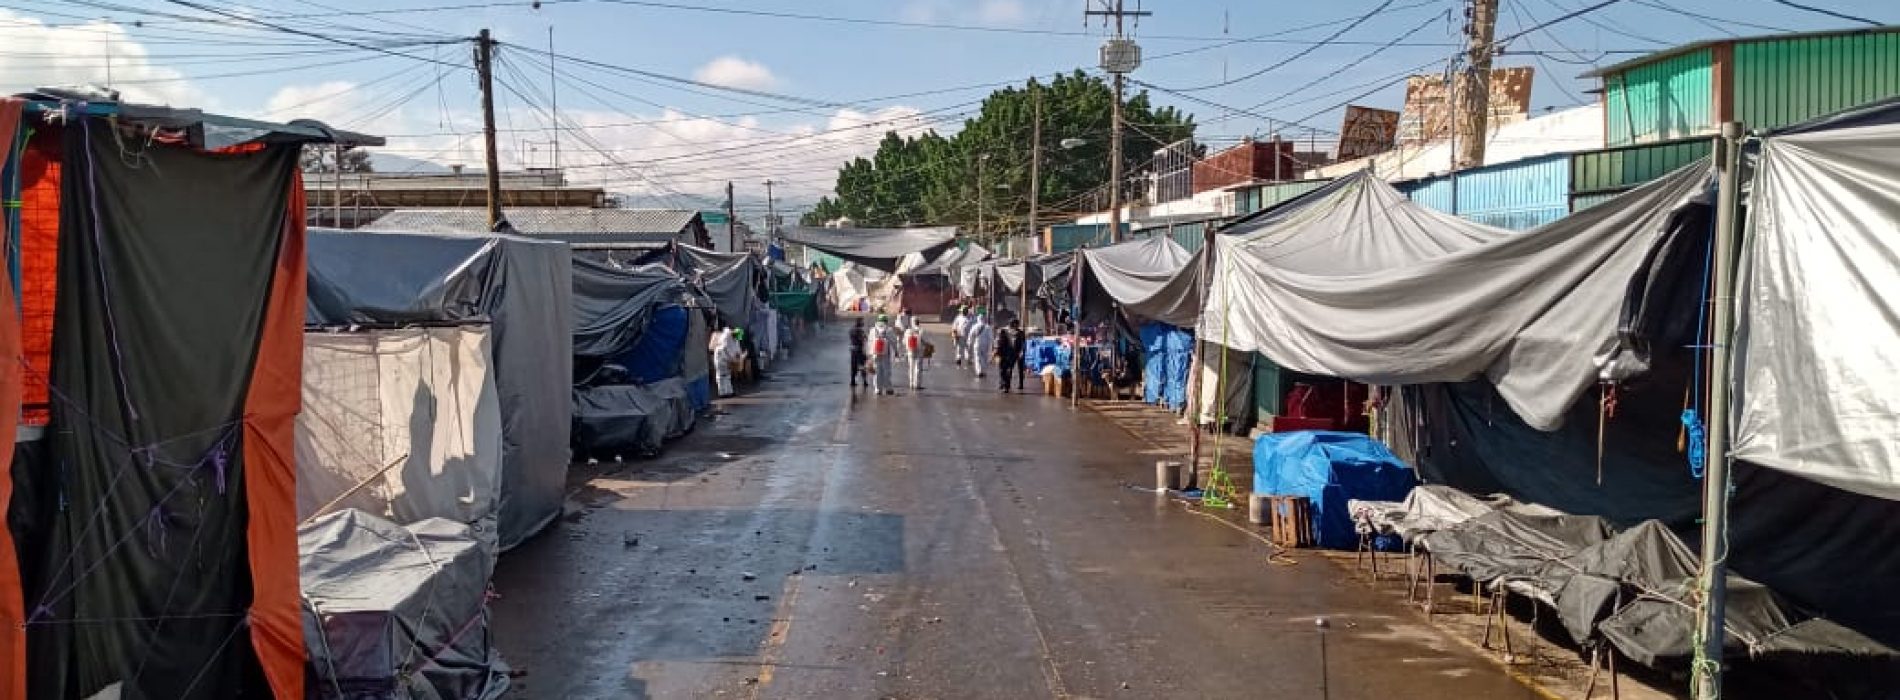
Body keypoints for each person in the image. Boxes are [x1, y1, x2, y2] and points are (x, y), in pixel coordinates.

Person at [866, 314, 898, 395]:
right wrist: (896, 351)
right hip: (885, 354)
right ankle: (888, 388)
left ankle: (877, 389)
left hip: (875, 354)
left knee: (877, 371)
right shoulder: (889, 330)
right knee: (886, 371)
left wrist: (869, 355)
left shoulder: (873, 330)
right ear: (886, 321)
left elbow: (869, 343)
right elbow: (894, 342)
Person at [995, 319, 1024, 393]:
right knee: (1002, 370)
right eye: (1014, 324)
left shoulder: (1020, 333)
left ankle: (1007, 386)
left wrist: (1021, 352)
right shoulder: (1004, 331)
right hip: (1003, 353)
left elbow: (1023, 343)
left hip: (1013, 354)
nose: (1015, 326)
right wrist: (996, 352)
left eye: (1016, 324)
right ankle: (1002, 383)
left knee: (1010, 369)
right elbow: (998, 341)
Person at [967, 312, 993, 379]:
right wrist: (991, 346)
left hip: (977, 344)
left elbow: (971, 335)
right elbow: (991, 338)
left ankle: (979, 371)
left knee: (977, 357)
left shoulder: (975, 326)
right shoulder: (988, 327)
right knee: (985, 358)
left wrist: (969, 343)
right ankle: (984, 371)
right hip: (986, 345)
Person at [903, 322, 926, 390]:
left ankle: (911, 383)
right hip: (919, 351)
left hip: (910, 351)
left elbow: (904, 342)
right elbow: (924, 341)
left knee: (911, 367)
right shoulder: (921, 330)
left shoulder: (908, 331)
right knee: (918, 368)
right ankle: (917, 385)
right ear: (918, 323)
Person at [848, 318, 868, 388]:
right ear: (859, 322)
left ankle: (852, 381)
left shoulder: (851, 329)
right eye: (862, 322)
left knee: (853, 365)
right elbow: (863, 338)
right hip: (859, 349)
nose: (863, 323)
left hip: (853, 349)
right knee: (862, 365)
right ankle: (865, 381)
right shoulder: (859, 330)